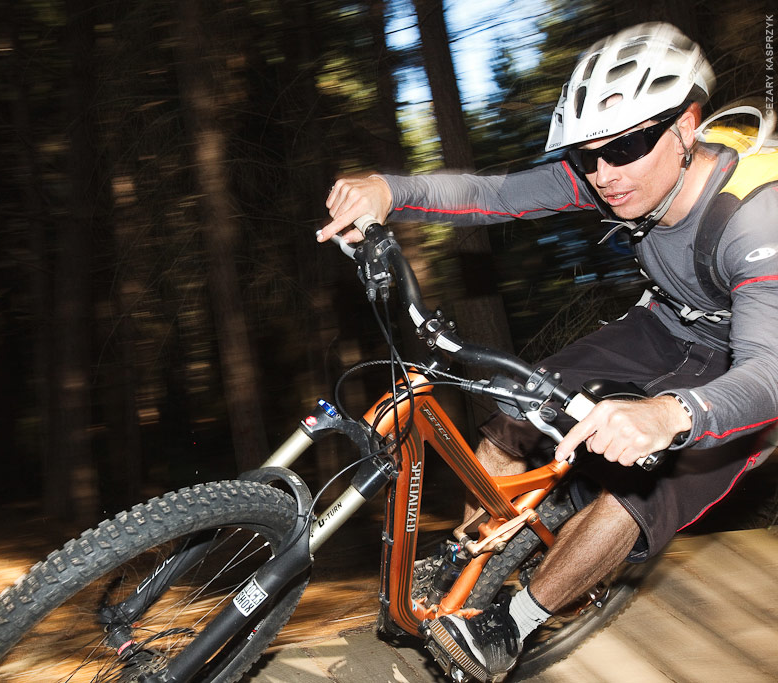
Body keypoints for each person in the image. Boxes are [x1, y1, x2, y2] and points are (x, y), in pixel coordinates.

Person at [319, 22, 778, 679]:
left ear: (687, 124)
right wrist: (390, 189)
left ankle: (515, 623)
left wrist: (670, 414)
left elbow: (770, 370)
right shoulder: (608, 172)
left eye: (626, 148)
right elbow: (496, 196)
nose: (605, 174)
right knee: (516, 415)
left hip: (750, 367)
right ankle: (469, 555)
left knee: (646, 480)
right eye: (590, 154)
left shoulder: (756, 218)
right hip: (667, 323)